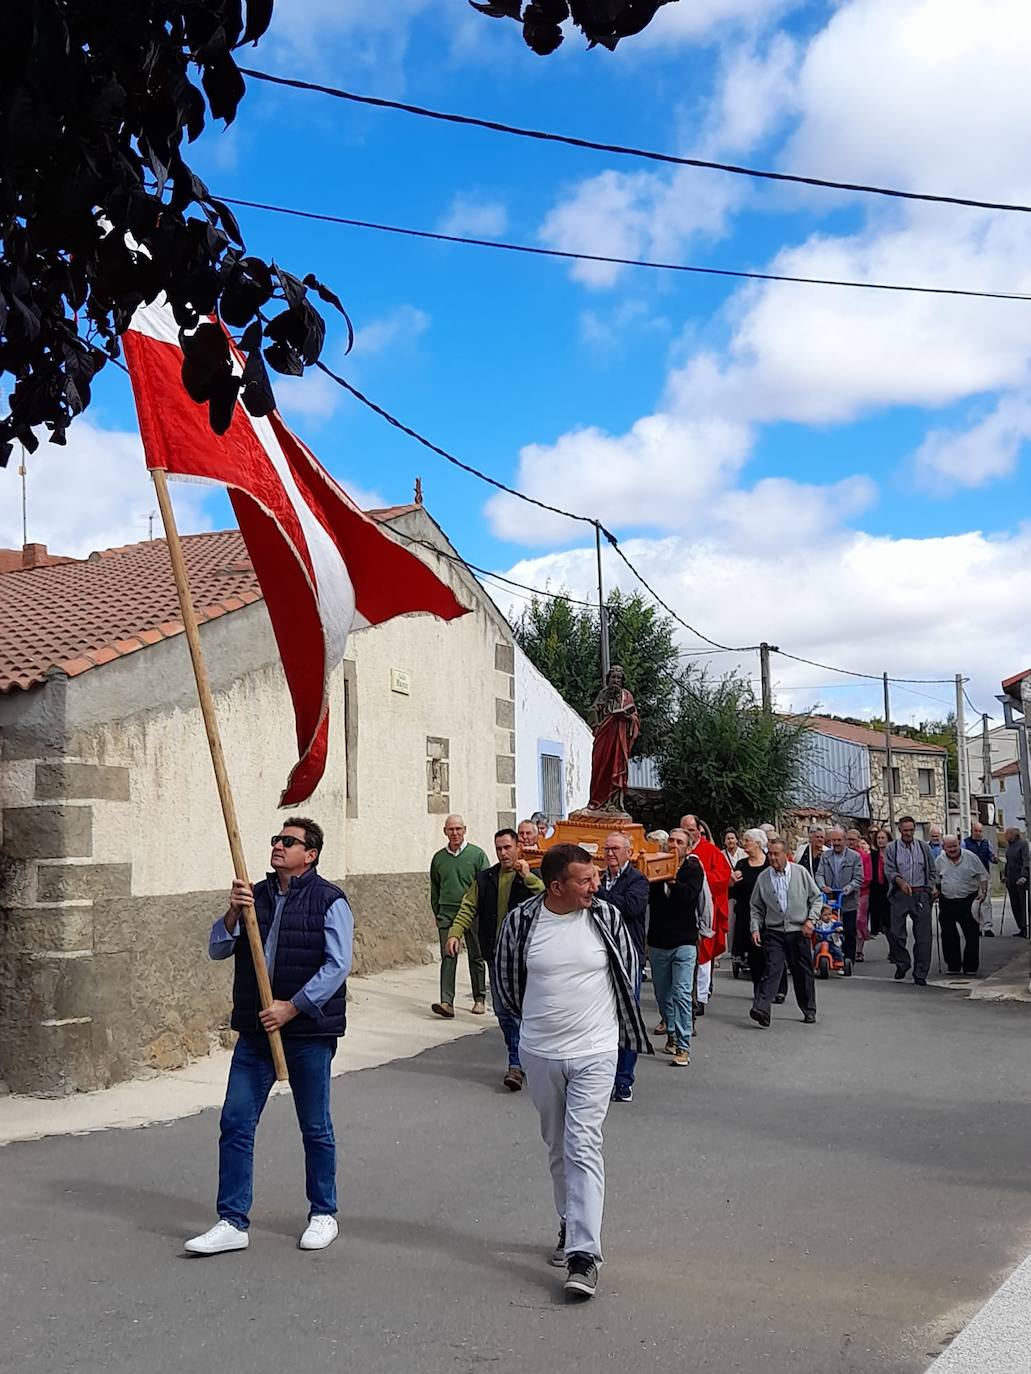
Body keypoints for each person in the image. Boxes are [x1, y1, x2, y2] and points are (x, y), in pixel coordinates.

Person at [185, 818, 353, 1256]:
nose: (278, 846)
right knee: (236, 1122)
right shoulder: (252, 897)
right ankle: (232, 1220)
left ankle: (323, 1213)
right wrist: (231, 912)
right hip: (257, 1033)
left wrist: (291, 1006)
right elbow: (218, 948)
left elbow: (336, 966)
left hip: (308, 1033)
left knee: (315, 1126)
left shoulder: (330, 900)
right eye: (276, 840)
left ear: (310, 854)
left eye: (289, 841)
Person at [494, 843, 650, 1301]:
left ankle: (584, 1253)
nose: (595, 886)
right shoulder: (522, 922)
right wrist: (530, 1031)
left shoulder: (605, 917)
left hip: (596, 1050)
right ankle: (568, 1222)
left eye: (596, 877)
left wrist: (617, 1029)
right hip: (541, 1052)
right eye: (586, 881)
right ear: (557, 886)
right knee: (558, 1146)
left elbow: (628, 970)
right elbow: (506, 982)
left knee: (583, 1144)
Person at [447, 829, 544, 1090]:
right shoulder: (485, 878)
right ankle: (518, 1061)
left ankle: (519, 1063)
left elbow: (547, 900)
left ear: (518, 848)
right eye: (499, 848)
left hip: (525, 958)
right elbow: (468, 906)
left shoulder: (531, 878)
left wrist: (529, 877)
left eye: (507, 848)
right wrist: (455, 933)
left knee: (523, 1012)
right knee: (503, 1011)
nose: (503, 853)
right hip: (496, 956)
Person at [748, 838, 823, 1027]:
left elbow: (816, 898)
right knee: (772, 968)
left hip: (798, 930)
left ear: (785, 855)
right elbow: (756, 906)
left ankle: (808, 1009)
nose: (772, 858)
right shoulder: (764, 877)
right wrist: (755, 928)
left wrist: (811, 920)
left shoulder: (800, 873)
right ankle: (761, 1008)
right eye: (770, 854)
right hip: (774, 931)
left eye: (776, 854)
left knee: (801, 971)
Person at [599, 832, 650, 1102]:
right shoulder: (598, 877)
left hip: (628, 958)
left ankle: (624, 1079)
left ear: (628, 852)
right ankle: (604, 1076)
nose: (610, 854)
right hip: (600, 957)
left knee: (626, 1020)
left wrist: (600, 893)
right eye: (607, 849)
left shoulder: (638, 880)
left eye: (615, 849)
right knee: (602, 1020)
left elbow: (629, 908)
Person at [648, 828, 705, 1066]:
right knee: (663, 994)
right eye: (670, 840)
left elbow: (690, 896)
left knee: (681, 992)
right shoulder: (655, 865)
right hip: (659, 941)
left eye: (679, 841)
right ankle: (670, 1029)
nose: (673, 844)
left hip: (684, 941)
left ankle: (683, 1045)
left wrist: (673, 881)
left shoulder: (693, 869)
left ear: (688, 848)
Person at [429, 814, 488, 1020]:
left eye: (458, 829)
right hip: (447, 912)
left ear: (465, 830)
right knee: (448, 955)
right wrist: (437, 912)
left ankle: (479, 998)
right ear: (445, 832)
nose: (455, 833)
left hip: (473, 913)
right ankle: (447, 1002)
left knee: (476, 955)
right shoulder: (438, 858)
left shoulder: (477, 855)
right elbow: (435, 888)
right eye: (451, 829)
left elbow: (485, 885)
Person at [680, 813, 731, 1014]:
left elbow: (723, 876)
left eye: (691, 830)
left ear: (699, 830)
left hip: (703, 908)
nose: (688, 834)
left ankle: (700, 998)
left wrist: (699, 876)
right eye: (685, 830)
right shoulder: (677, 850)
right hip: (681, 909)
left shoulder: (710, 851)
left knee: (703, 955)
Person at [884, 817, 939, 986]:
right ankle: (902, 962)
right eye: (905, 830)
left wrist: (931, 888)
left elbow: (932, 870)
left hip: (920, 893)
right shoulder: (891, 848)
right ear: (899, 830)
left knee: (923, 936)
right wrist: (900, 882)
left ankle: (920, 973)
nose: (908, 833)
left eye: (911, 830)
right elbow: (889, 870)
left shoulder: (923, 847)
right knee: (895, 933)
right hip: (900, 894)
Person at [588, 665, 641, 811]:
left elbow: (635, 717)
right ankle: (597, 801)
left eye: (618, 678)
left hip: (619, 737)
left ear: (622, 680)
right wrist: (597, 717)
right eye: (613, 677)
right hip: (604, 735)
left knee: (616, 768)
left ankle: (615, 803)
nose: (615, 680)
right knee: (600, 766)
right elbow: (592, 711)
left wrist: (628, 717)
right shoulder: (603, 694)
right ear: (608, 679)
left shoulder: (627, 696)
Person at [936, 835, 988, 975]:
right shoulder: (939, 860)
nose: (953, 849)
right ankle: (953, 966)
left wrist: (983, 892)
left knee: (971, 935)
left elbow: (982, 876)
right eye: (949, 847)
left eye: (955, 846)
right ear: (943, 847)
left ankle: (970, 967)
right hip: (947, 901)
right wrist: (935, 890)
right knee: (948, 934)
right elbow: (935, 879)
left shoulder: (971, 857)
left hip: (968, 900)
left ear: (959, 844)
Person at [816, 827, 864, 972]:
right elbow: (819, 874)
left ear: (844, 840)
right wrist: (823, 886)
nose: (835, 843)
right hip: (829, 899)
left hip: (847, 899)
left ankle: (848, 959)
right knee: (827, 929)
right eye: (833, 840)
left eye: (838, 840)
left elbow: (858, 878)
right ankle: (828, 953)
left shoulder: (854, 857)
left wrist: (849, 888)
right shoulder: (826, 856)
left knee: (848, 930)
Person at [729, 828, 769, 987]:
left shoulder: (768, 862)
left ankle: (779, 988)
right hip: (746, 914)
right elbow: (732, 892)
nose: (742, 843)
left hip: (768, 914)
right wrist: (731, 882)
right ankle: (759, 988)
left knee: (772, 953)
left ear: (758, 843)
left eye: (747, 840)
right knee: (754, 955)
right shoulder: (741, 864)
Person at [963, 820, 998, 936]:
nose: (978, 833)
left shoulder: (987, 843)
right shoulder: (965, 843)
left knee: (986, 902)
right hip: (971, 877)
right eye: (976, 831)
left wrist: (994, 859)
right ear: (972, 831)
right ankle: (975, 926)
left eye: (980, 831)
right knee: (974, 904)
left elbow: (992, 857)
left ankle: (987, 927)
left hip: (985, 876)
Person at [846, 828, 873, 960]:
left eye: (853, 840)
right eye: (848, 839)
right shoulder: (842, 854)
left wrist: (853, 886)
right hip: (843, 893)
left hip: (861, 893)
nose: (850, 842)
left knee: (859, 920)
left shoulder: (864, 856)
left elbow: (867, 877)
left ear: (858, 840)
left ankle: (859, 950)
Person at [1002, 827, 1030, 936]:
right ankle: (1020, 927)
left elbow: (1026, 860)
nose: (1005, 836)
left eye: (1007, 834)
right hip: (1011, 879)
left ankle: (1025, 927)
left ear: (1014, 834)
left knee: (1023, 905)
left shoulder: (1023, 844)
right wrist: (1004, 875)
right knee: (1014, 905)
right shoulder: (1009, 846)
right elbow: (1008, 863)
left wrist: (1024, 875)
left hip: (1021, 880)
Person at [867, 827, 891, 940]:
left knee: (890, 919)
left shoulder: (892, 855)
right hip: (876, 888)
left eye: (883, 838)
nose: (880, 840)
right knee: (876, 911)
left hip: (890, 888)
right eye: (878, 838)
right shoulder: (872, 855)